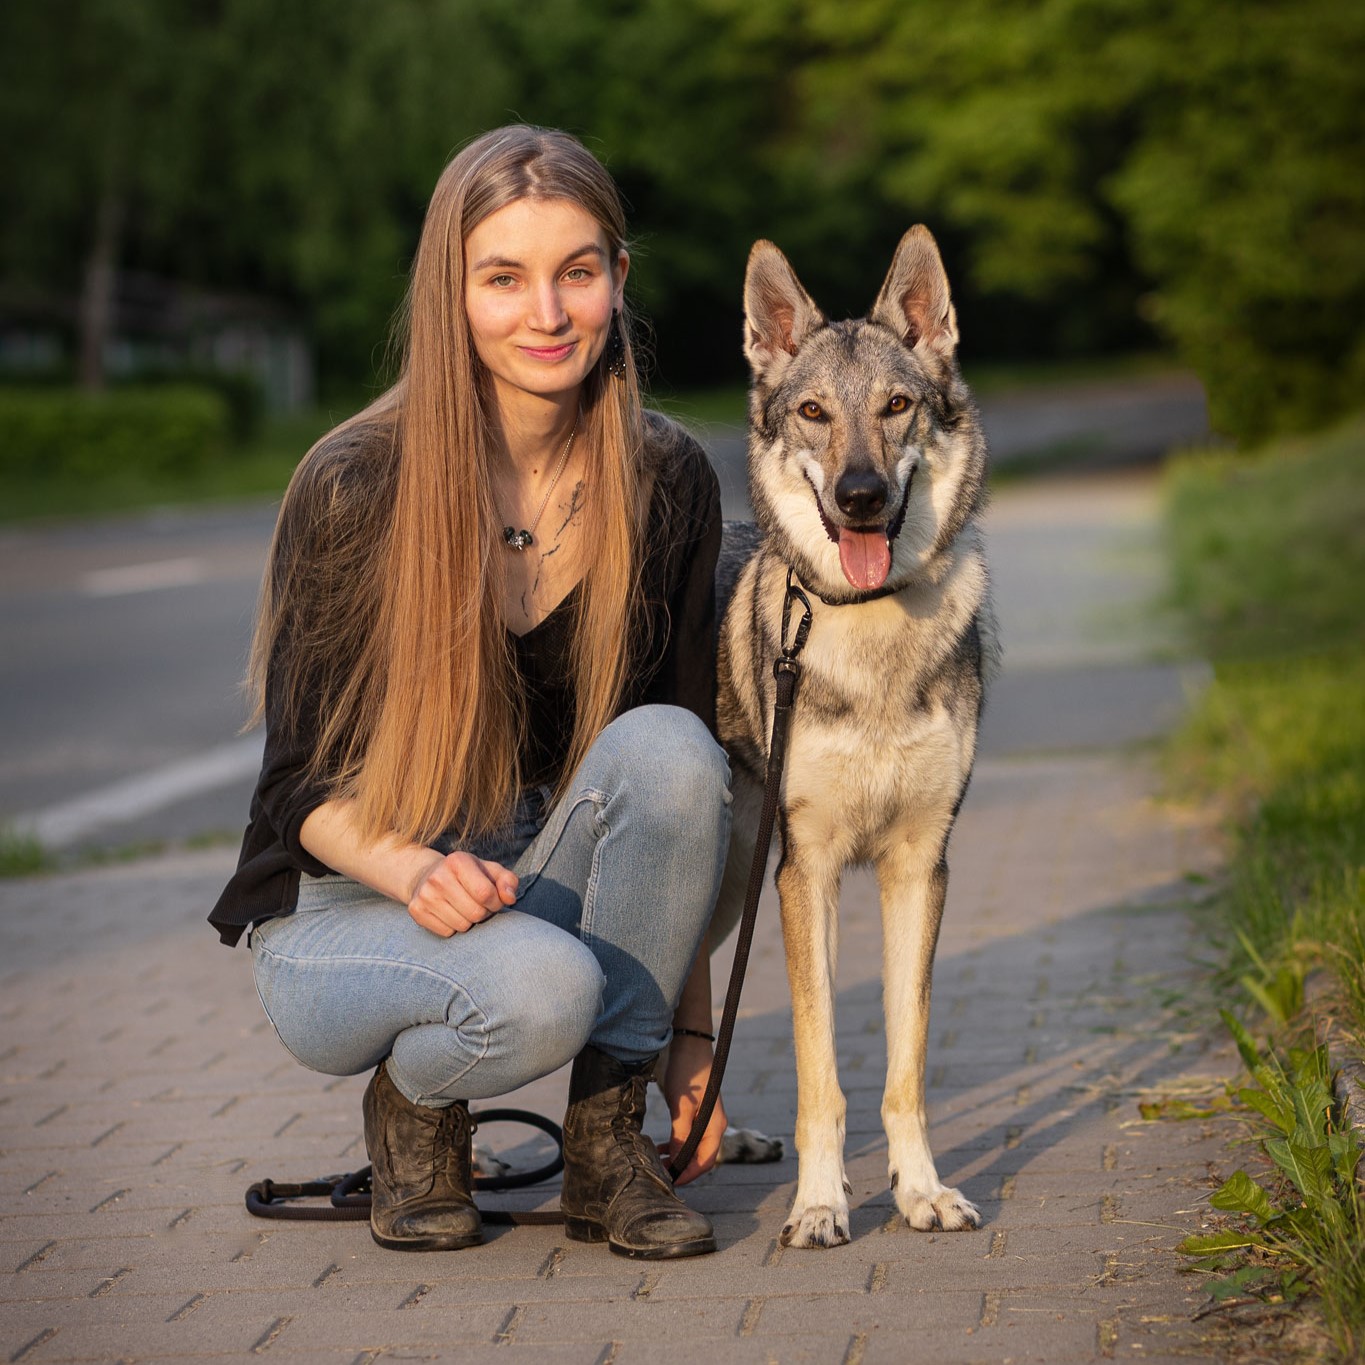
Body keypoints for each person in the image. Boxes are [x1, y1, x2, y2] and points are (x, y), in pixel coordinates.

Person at [209, 125, 731, 1260]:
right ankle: (414, 1108)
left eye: (576, 273)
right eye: (503, 278)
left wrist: (690, 1037)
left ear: (617, 281)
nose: (546, 313)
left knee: (681, 750)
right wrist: (412, 870)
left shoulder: (667, 477)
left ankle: (608, 1145)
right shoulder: (356, 484)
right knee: (542, 990)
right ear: (451, 291)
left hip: (514, 878)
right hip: (350, 906)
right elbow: (294, 790)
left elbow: (672, 804)